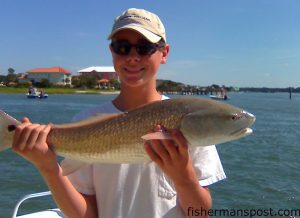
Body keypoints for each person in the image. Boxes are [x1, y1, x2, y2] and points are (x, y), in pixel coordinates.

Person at [12, 8, 226, 218]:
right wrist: (48, 167)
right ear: (112, 52)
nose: (133, 57)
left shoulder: (188, 122)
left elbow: (199, 214)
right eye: (122, 47)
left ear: (165, 53)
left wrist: (183, 177)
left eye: (144, 47)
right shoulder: (85, 122)